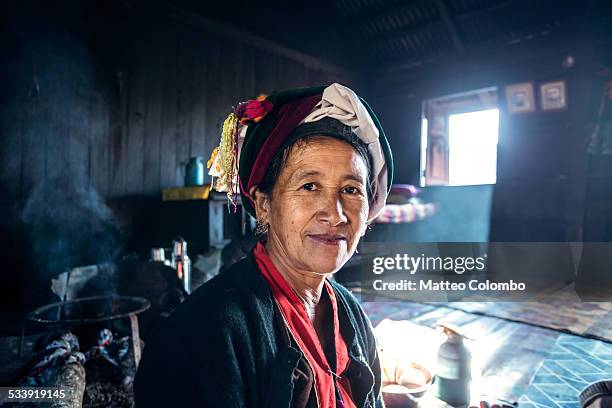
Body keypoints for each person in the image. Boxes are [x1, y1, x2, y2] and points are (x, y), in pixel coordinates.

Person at [134, 83, 393, 408]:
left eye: (352, 190)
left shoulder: (351, 314)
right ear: (263, 204)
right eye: (309, 186)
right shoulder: (202, 334)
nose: (335, 213)